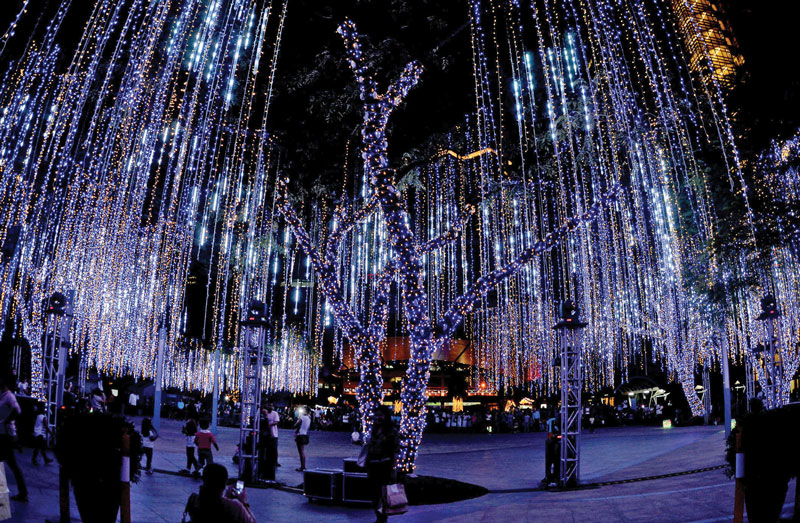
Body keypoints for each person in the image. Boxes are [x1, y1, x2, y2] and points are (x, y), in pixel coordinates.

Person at [185, 463, 256, 523]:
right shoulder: (235, 507)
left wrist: (226, 498)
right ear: (224, 484)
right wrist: (243, 502)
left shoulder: (194, 500)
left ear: (203, 479)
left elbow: (213, 503)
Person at [365, 406, 398, 523]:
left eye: (380, 415)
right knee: (374, 495)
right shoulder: (374, 429)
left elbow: (395, 450)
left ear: (386, 416)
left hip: (385, 466)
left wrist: (394, 468)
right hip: (373, 465)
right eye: (376, 415)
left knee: (383, 495)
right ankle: (379, 516)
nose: (378, 418)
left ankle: (382, 518)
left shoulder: (391, 431)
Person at [0, 376, 28, 501]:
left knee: (13, 465)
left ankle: (23, 493)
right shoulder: (3, 396)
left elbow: (18, 410)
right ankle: (23, 492)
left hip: (6, 436)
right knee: (13, 465)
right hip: (3, 435)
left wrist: (6, 421)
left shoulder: (9, 396)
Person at [261, 404, 279, 481]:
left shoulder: (274, 413)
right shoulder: (263, 414)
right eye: (269, 405)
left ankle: (274, 464)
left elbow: (276, 422)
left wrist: (268, 423)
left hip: (273, 435)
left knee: (273, 453)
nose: (271, 407)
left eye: (272, 406)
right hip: (265, 436)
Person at [294, 407, 311, 471]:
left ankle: (303, 466)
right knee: (302, 451)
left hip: (300, 435)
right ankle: (303, 466)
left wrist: (298, 419)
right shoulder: (309, 418)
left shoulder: (302, 417)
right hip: (305, 434)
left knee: (301, 452)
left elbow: (296, 425)